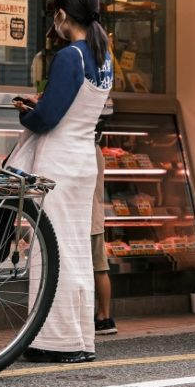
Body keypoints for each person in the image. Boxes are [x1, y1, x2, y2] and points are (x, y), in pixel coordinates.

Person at [9, 0, 113, 364]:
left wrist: (26, 110)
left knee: (51, 251)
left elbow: (47, 118)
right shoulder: (104, 57)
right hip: (83, 160)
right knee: (76, 252)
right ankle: (79, 337)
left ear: (62, 14)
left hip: (58, 163)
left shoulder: (70, 55)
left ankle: (53, 340)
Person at [93, 115, 116, 335]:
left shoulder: (89, 151)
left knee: (99, 268)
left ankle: (104, 316)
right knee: (100, 268)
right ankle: (104, 315)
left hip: (88, 218)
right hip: (95, 215)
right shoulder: (97, 150)